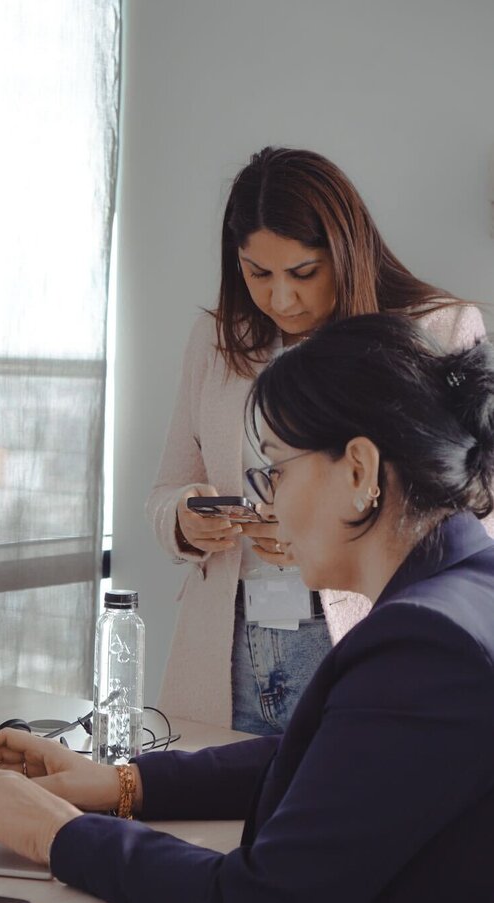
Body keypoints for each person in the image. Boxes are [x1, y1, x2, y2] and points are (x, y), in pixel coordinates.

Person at [0, 313, 494, 903]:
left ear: (360, 471)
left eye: (276, 472)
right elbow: (333, 759)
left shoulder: (426, 645)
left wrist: (57, 832)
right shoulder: (465, 594)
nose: (267, 505)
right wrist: (122, 784)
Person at [146, 146, 487, 736]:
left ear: (347, 253)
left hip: (360, 634)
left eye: (303, 273)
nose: (281, 299)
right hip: (226, 650)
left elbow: (478, 513)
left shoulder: (437, 330)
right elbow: (166, 488)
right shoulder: (216, 342)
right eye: (258, 273)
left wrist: (319, 531)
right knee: (200, 791)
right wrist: (182, 518)